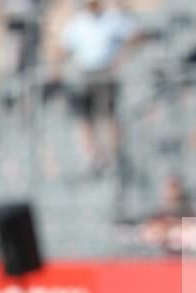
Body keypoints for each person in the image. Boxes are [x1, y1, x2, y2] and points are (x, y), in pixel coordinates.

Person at [61, 0, 140, 170]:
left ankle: (115, 154)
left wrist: (123, 56)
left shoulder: (113, 18)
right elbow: (65, 47)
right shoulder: (77, 22)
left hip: (106, 72)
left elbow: (135, 35)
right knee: (84, 117)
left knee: (108, 115)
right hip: (85, 73)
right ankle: (92, 155)